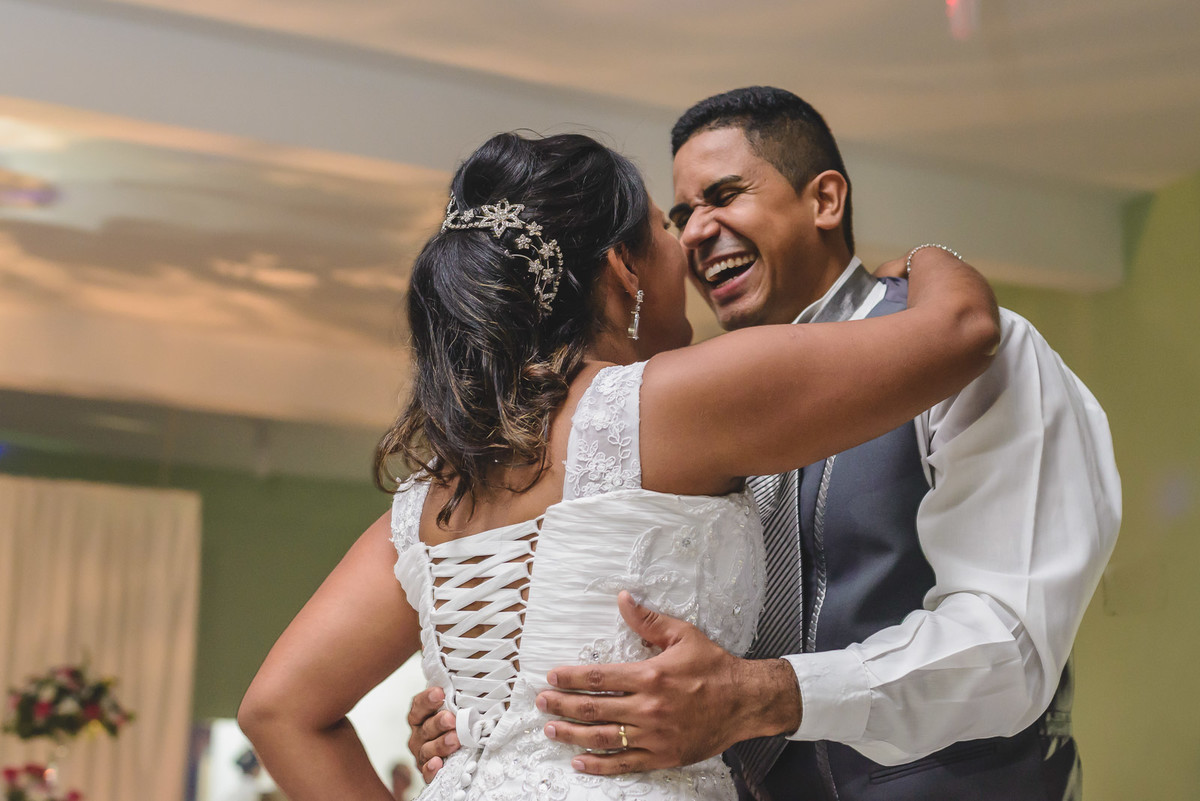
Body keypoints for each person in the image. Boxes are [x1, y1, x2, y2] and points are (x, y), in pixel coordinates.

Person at [237, 130, 999, 801]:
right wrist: (933, 257)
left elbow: (278, 709)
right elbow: (962, 328)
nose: (691, 248)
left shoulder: (431, 497)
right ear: (624, 268)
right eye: (667, 229)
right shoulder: (659, 402)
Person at [411, 88, 1121, 801]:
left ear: (826, 201)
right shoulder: (672, 414)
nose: (693, 233)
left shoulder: (974, 353)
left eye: (725, 195)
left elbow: (1009, 645)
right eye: (681, 216)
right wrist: (486, 724)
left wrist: (765, 694)